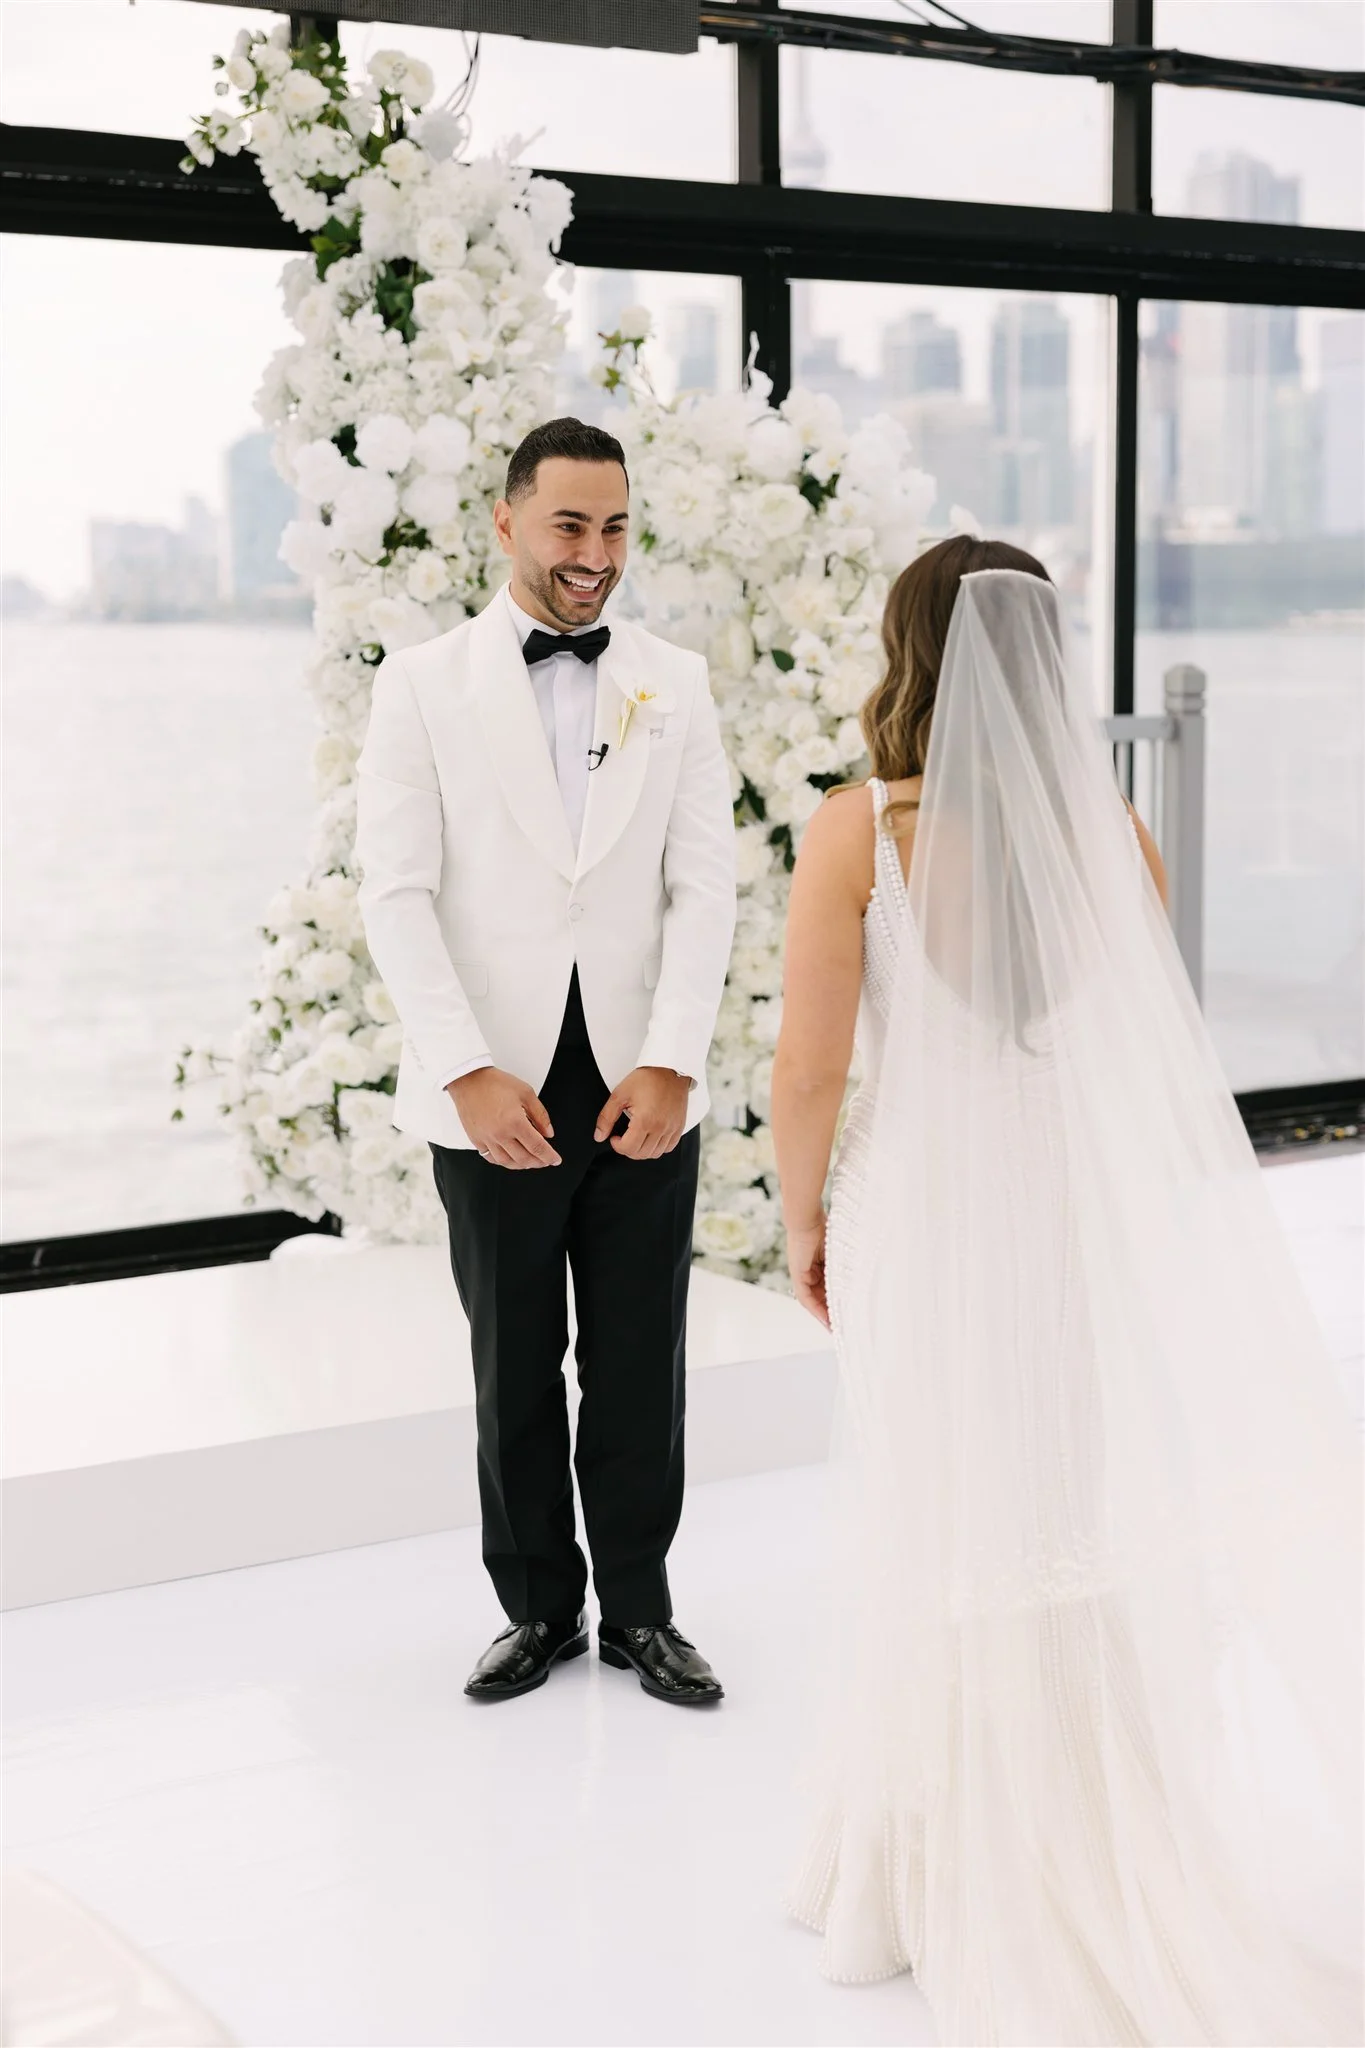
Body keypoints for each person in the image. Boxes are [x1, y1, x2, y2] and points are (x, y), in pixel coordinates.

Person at [771, 537, 1363, 2045]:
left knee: (934, 1502)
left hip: (918, 1209)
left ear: (911, 654)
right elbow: (1130, 1048)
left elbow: (813, 1071)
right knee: (1060, 1497)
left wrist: (800, 1220)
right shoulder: (1111, 834)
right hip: (1063, 1213)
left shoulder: (858, 833)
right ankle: (1088, 1819)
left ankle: (937, 1849)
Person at [354, 417, 737, 1706]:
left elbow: (705, 886)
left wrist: (673, 1057)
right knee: (513, 1359)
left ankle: (641, 1609)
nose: (596, 553)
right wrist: (464, 1070)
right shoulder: (422, 685)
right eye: (570, 524)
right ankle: (536, 1607)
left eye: (616, 526)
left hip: (640, 1080)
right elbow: (395, 893)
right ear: (507, 519)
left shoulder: (674, 681)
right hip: (494, 1083)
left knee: (640, 1357)